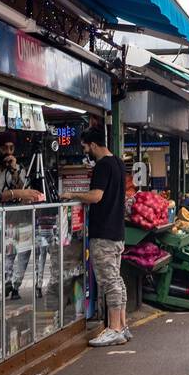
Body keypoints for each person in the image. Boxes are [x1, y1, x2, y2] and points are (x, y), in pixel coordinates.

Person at [64, 127, 131, 348]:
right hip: (117, 232)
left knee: (109, 282)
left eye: (85, 146)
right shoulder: (119, 163)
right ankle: (122, 325)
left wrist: (72, 194)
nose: (85, 151)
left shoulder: (103, 166)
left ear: (93, 145)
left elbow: (96, 196)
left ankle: (113, 329)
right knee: (117, 279)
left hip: (103, 233)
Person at [0, 131, 46, 300]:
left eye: (12, 148)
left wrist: (14, 171)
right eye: (5, 148)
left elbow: (22, 190)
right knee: (9, 253)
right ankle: (7, 282)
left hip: (18, 216)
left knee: (24, 252)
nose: (9, 153)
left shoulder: (17, 169)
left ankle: (16, 284)